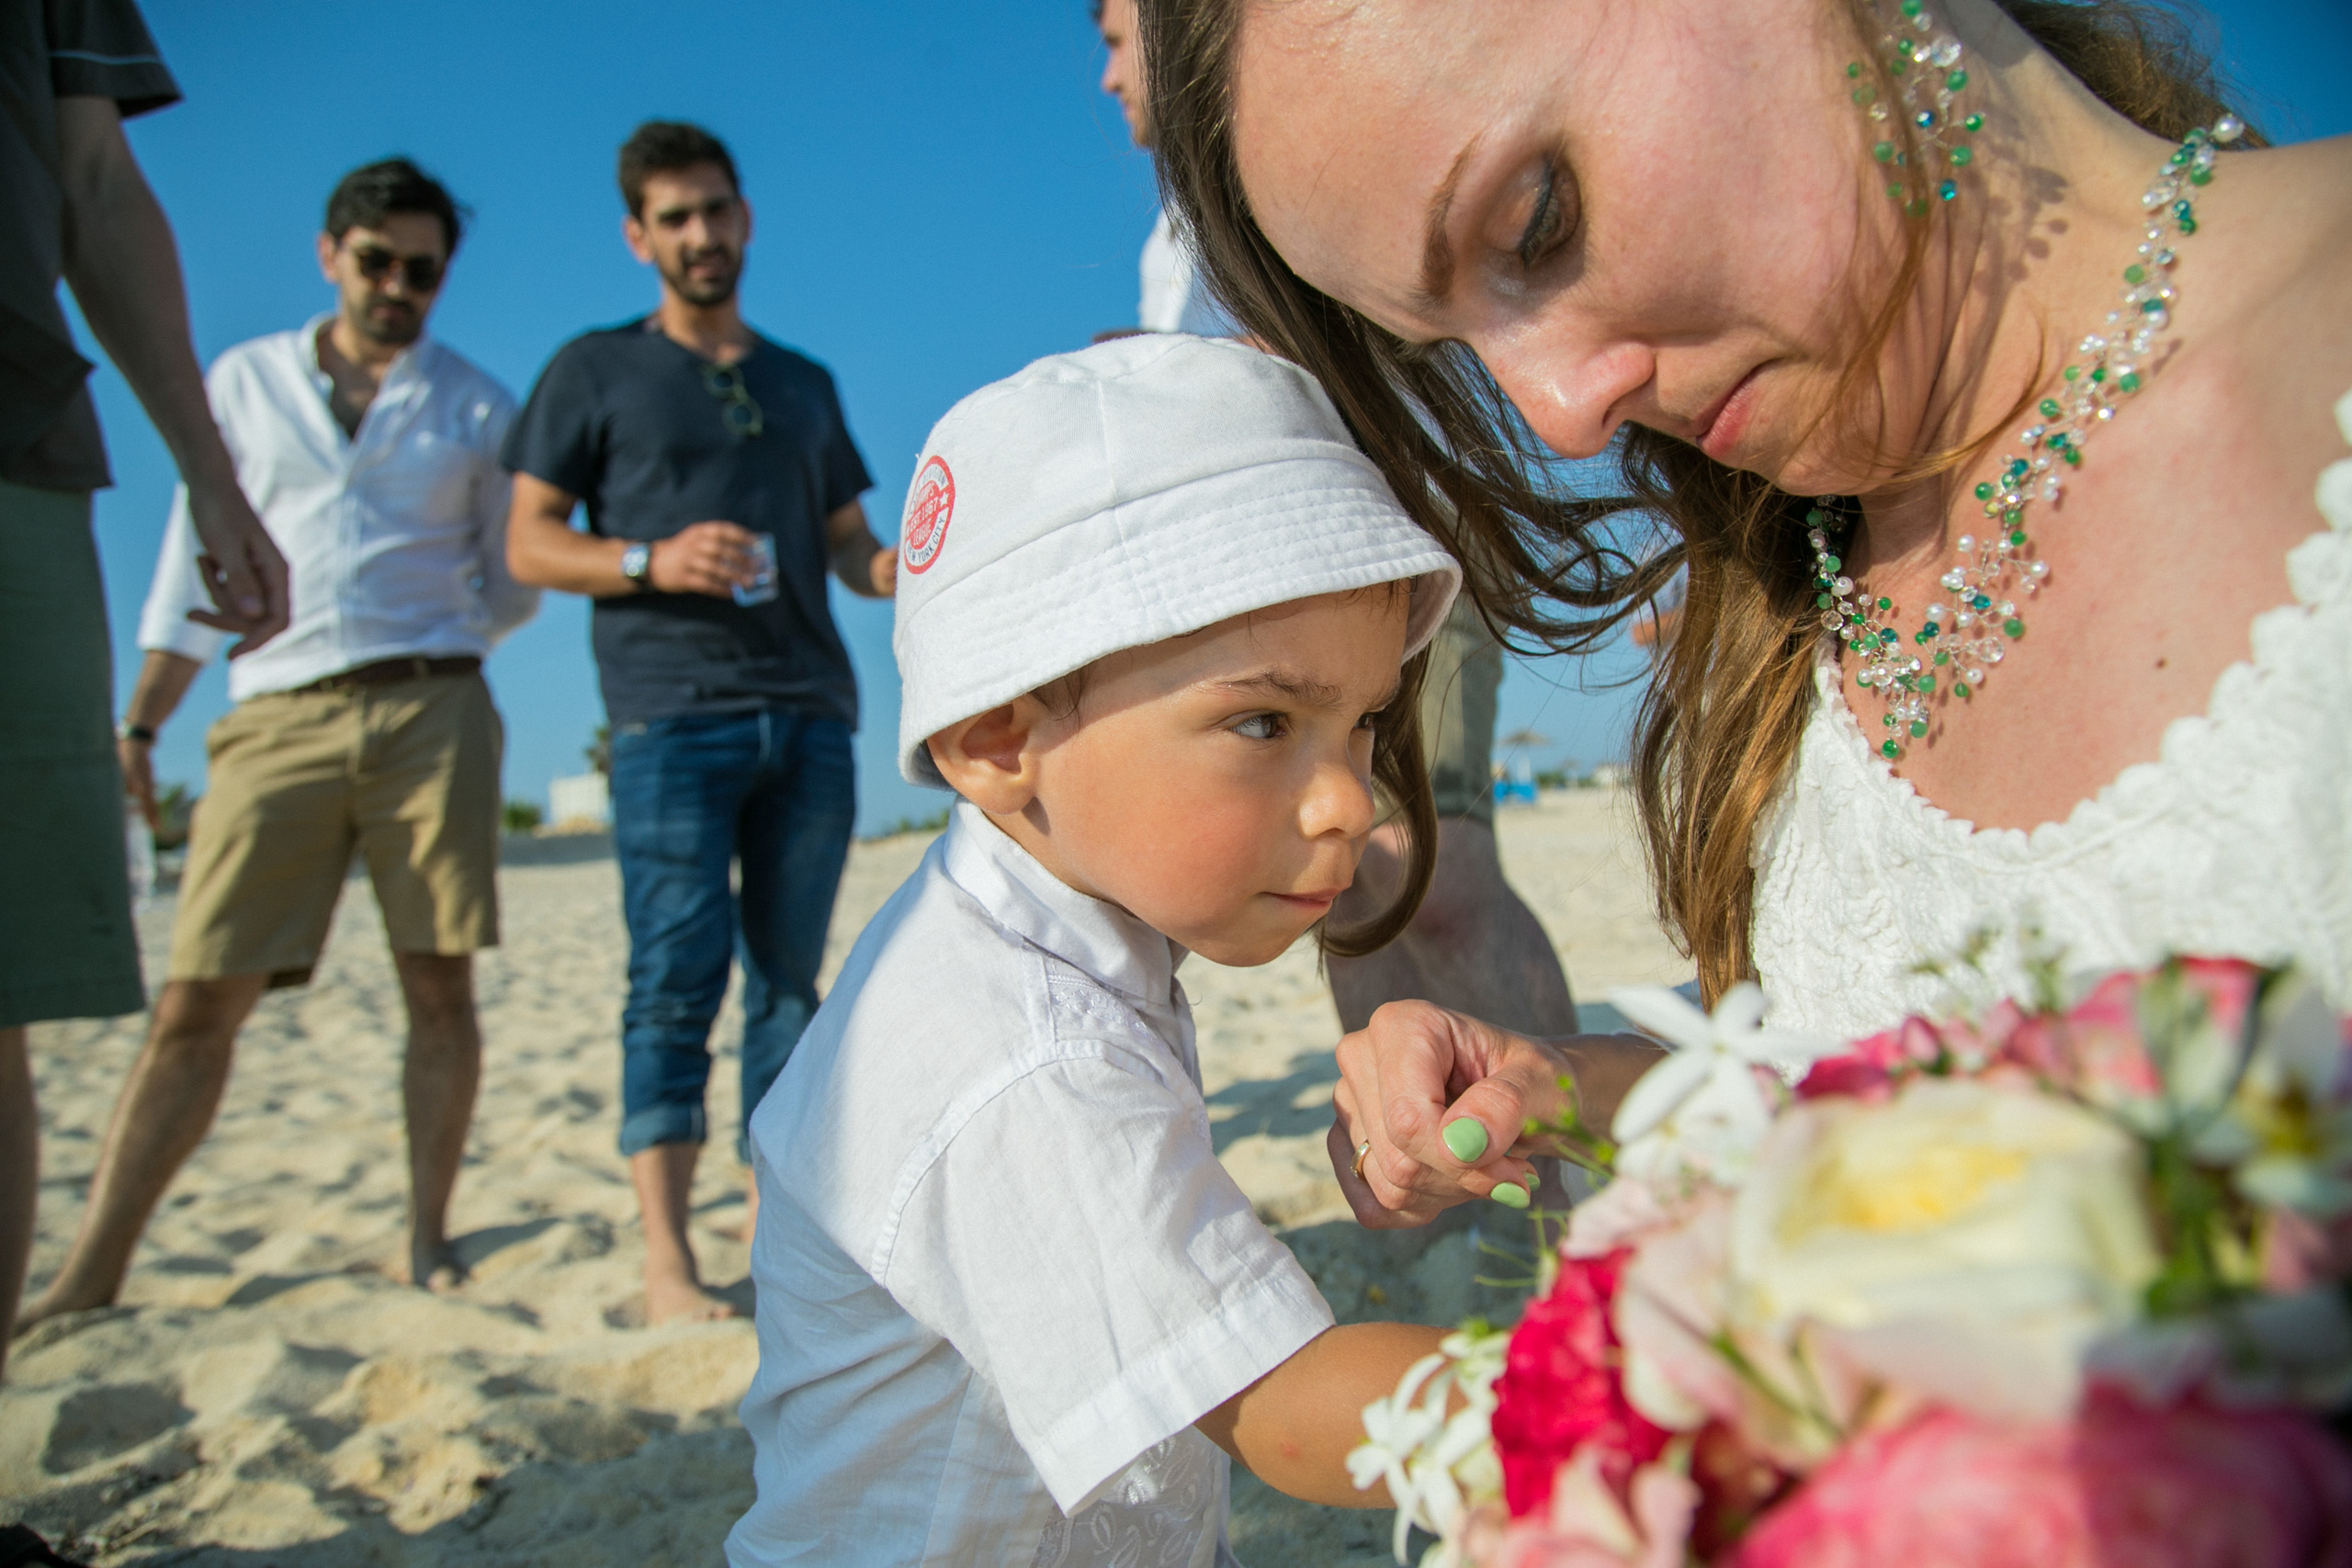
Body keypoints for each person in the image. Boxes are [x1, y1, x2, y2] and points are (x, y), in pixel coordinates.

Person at [1136, 0, 2352, 1222]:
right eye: (1454, 348)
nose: (1562, 416)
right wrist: (1572, 1080)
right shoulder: (1779, 599)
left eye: (1541, 220)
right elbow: (1889, 1094)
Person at [729, 333, 1510, 1566]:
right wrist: (1633, 1403)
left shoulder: (1026, 938)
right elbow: (1285, 1409)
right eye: (1262, 720)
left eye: (1361, 723)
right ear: (997, 737)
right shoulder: (1017, 1053)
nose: (1351, 802)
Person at [20, 158, 535, 1333]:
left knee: (438, 985)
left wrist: (442, 646)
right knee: (200, 995)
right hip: (274, 709)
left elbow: (504, 586)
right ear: (330, 253)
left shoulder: (476, 404)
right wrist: (143, 720)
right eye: (378, 262)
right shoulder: (242, 382)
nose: (398, 286)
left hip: (432, 705)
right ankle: (91, 1268)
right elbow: (183, 571)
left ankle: (427, 1236)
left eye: (423, 270)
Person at [1097, 0, 1581, 1048]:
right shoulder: (1168, 242)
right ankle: (1419, 1194)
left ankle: (1569, 1171)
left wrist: (1194, 378)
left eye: (1112, 36)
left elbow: (1395, 329)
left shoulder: (1310, 138)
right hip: (1284, 587)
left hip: (1408, 539)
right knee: (1347, 889)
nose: (1107, 75)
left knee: (1441, 870)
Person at [504, 121, 893, 1326]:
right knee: (674, 980)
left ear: (746, 218)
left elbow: (851, 551)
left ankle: (769, 1225)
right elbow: (526, 543)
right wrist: (650, 555)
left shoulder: (804, 381)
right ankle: (667, 1262)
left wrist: (936, 554)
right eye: (674, 218)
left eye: (716, 210)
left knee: (790, 983)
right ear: (638, 236)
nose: (701, 235)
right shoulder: (589, 371)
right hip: (670, 718)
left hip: (812, 715)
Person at [2, 0, 288, 1382]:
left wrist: (209, 473)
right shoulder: (268, 370)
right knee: (195, 995)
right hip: (268, 721)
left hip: (13, 434)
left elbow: (94, 174)